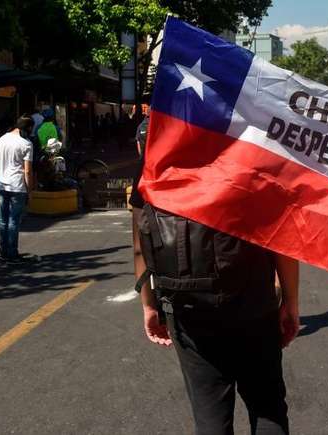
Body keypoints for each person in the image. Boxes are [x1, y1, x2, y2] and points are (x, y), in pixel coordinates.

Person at [131, 122, 299, 434]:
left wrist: (149, 304)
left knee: (210, 417)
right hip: (253, 302)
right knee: (267, 409)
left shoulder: (158, 147)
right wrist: (290, 301)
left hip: (185, 306)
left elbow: (140, 242)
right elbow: (282, 236)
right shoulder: (252, 141)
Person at [0, 115, 34, 263]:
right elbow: (27, 171)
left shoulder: (1, 140)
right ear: (27, 128)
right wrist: (29, 191)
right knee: (14, 221)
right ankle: (12, 253)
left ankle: (3, 251)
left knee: (3, 221)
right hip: (18, 186)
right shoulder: (26, 144)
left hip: (2, 185)